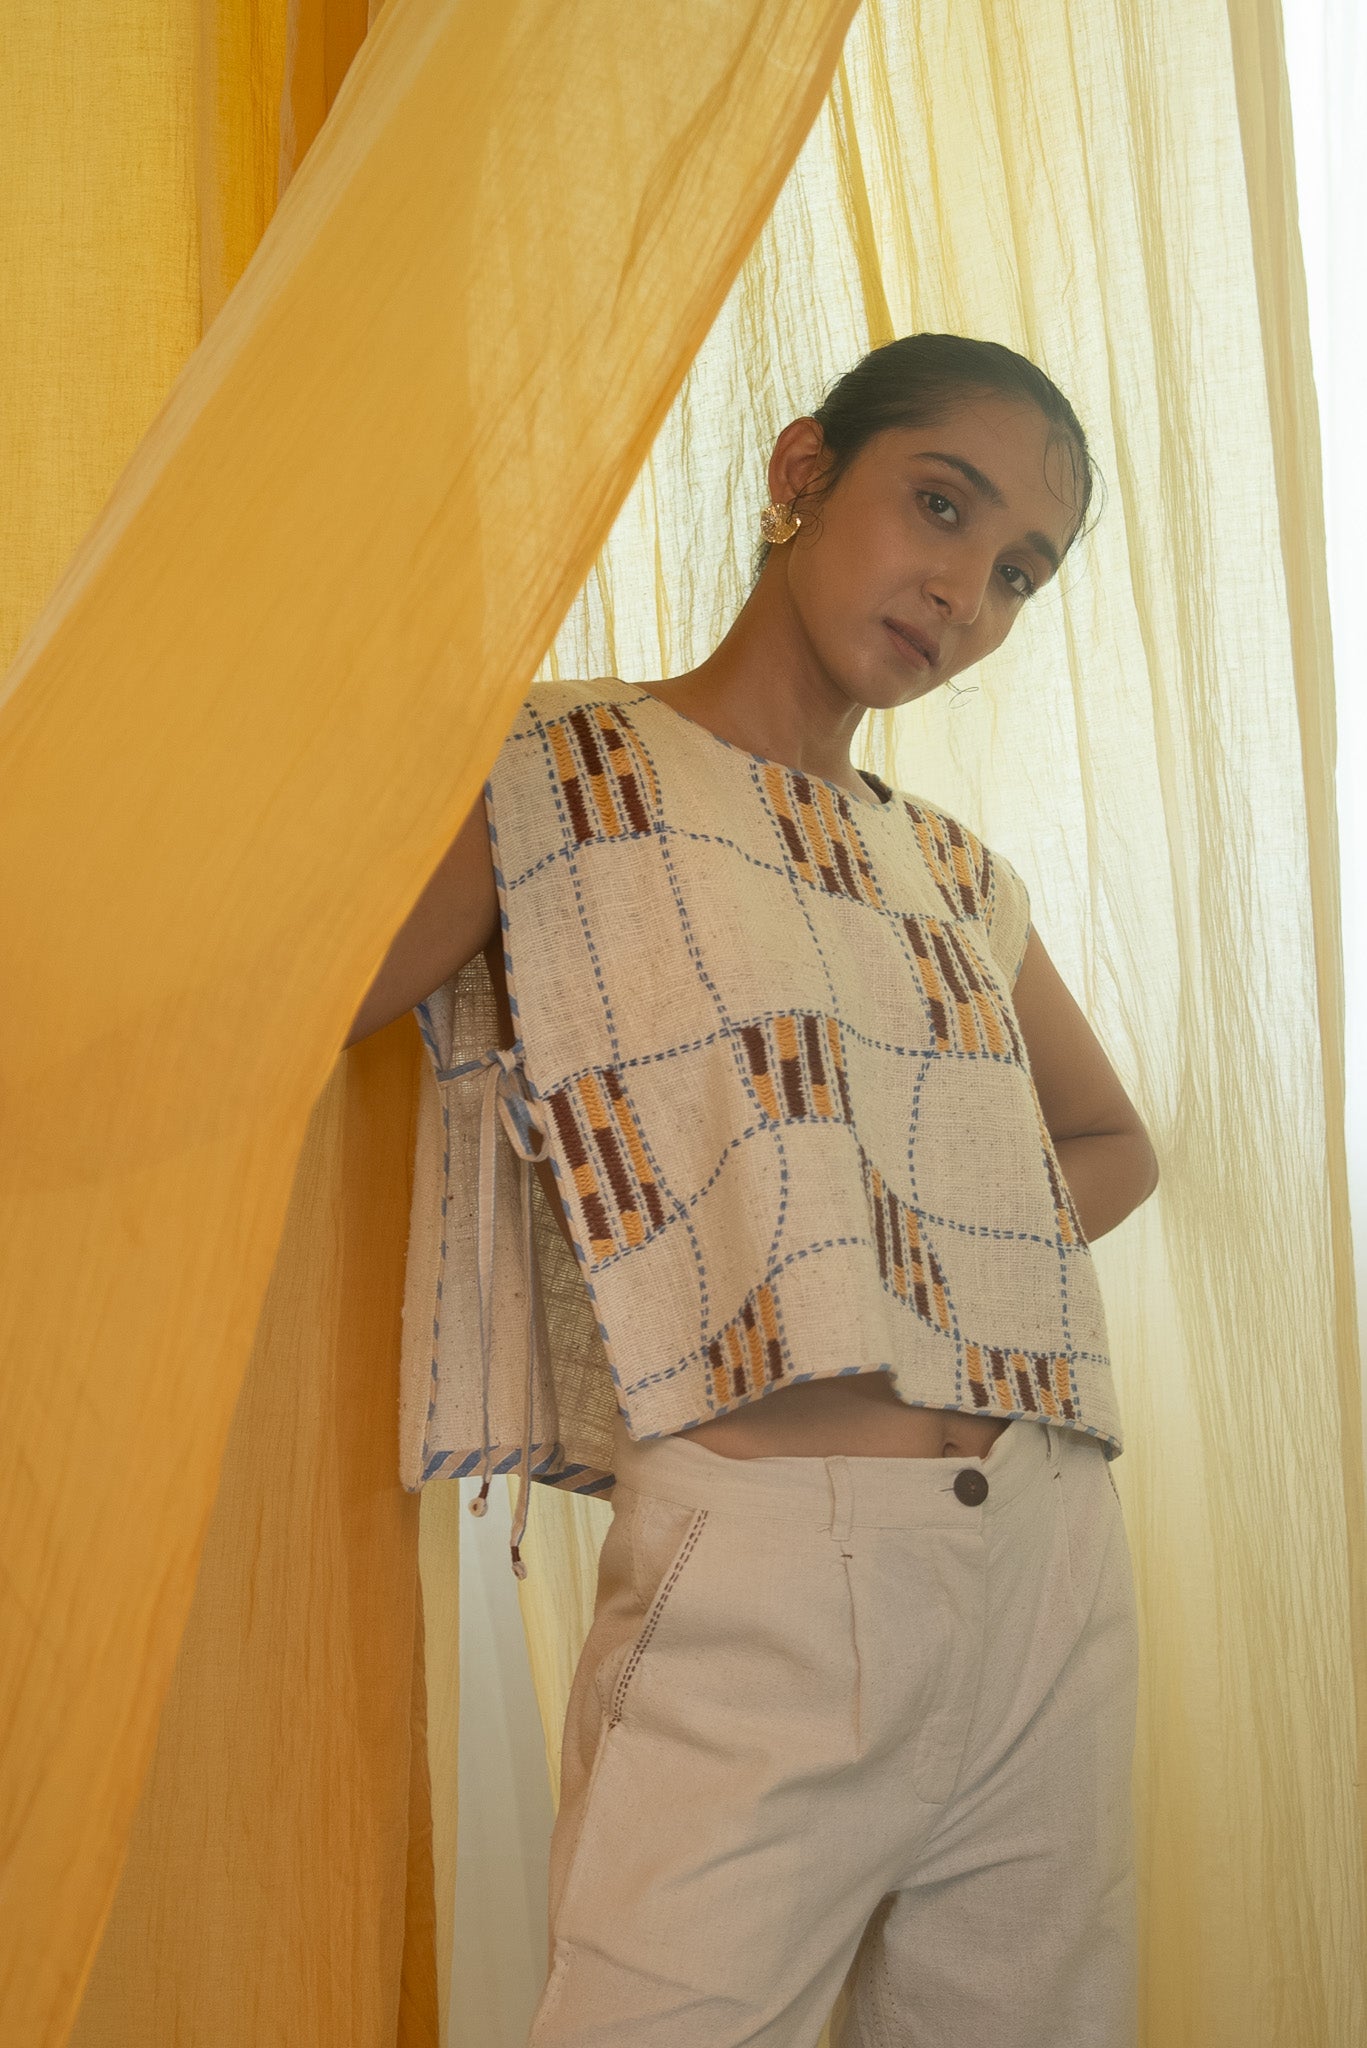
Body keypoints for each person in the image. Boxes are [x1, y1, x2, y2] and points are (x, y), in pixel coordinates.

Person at [345, 334, 1158, 2047]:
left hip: (1048, 1558)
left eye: (1020, 573)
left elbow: (1110, 1145)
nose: (965, 593)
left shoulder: (954, 875)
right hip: (768, 1566)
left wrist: (897, 1248)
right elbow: (306, 1011)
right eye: (941, 506)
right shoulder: (558, 771)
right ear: (803, 474)